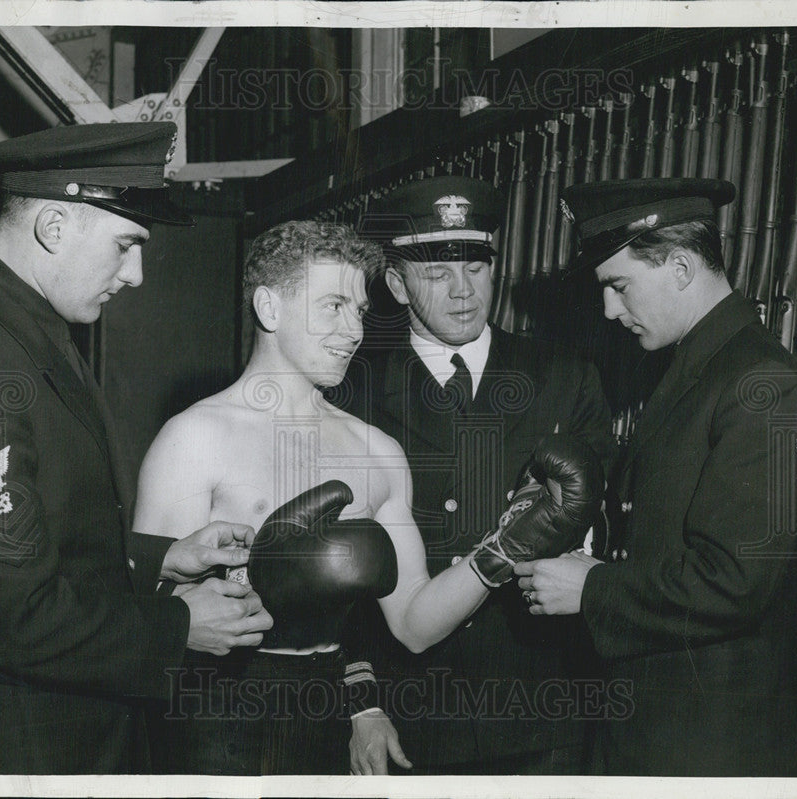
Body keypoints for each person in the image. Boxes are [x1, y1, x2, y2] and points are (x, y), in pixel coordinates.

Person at [133, 219, 603, 774]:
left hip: (330, 713)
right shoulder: (195, 435)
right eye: (332, 306)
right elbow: (142, 615)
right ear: (270, 308)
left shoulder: (375, 450)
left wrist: (503, 551)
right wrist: (242, 584)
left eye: (358, 310)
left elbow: (415, 625)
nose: (352, 330)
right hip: (218, 712)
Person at [0, 122, 274, 774]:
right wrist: (176, 625)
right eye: (126, 244)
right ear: (54, 226)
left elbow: (42, 536)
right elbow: (13, 616)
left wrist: (166, 557)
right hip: (18, 752)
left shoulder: (27, 327)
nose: (136, 274)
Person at [515, 177, 797, 776]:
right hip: (661, 725)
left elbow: (735, 580)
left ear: (680, 267)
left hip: (713, 746)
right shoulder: (699, 366)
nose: (608, 309)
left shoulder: (764, 383)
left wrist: (591, 588)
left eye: (619, 286)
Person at [333, 175, 618, 775]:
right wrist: (361, 702)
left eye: (476, 267)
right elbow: (337, 577)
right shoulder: (351, 389)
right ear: (396, 284)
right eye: (437, 274)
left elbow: (601, 533)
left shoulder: (566, 377)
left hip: (542, 709)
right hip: (410, 711)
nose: (462, 292)